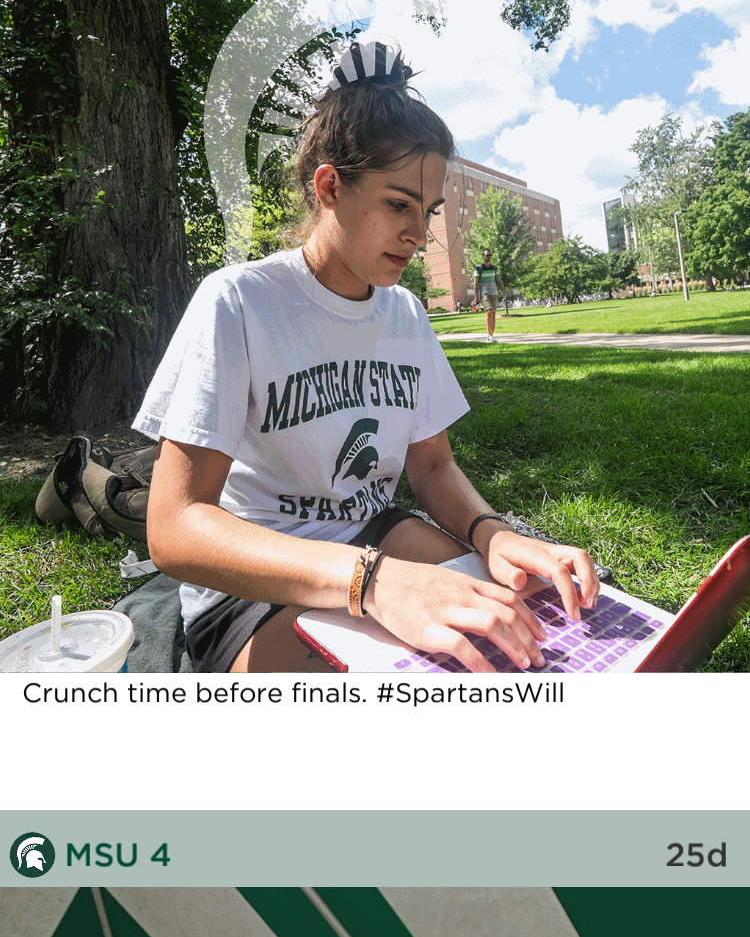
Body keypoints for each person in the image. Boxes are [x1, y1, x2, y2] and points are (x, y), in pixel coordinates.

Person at [135, 41, 598, 674]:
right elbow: (176, 526)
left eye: (428, 211)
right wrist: (373, 583)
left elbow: (433, 466)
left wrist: (494, 533)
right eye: (399, 204)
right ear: (330, 186)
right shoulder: (239, 301)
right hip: (257, 579)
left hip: (375, 534)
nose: (419, 234)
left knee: (527, 618)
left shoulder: (404, 314)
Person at [473, 249, 506, 339]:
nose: (489, 257)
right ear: (483, 256)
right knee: (489, 312)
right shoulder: (478, 268)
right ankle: (488, 335)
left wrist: (503, 291)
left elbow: (499, 280)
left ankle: (492, 335)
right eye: (487, 255)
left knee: (493, 314)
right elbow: (475, 282)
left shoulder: (494, 268)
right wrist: (476, 296)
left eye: (490, 255)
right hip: (484, 293)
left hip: (494, 293)